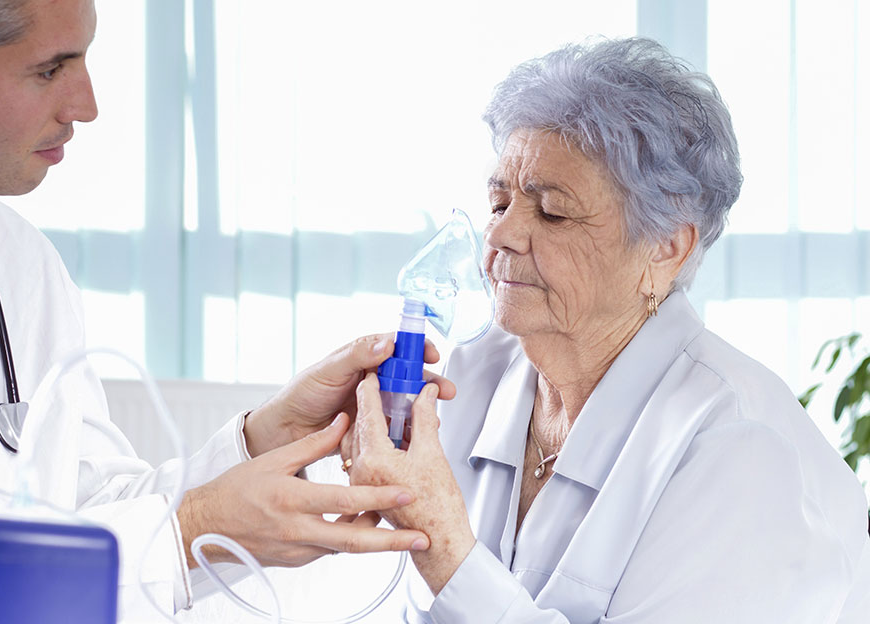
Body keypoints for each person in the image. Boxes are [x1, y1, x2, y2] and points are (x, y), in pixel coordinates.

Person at [0, 0, 451, 617]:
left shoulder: (19, 262)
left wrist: (265, 439)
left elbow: (88, 509)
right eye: (49, 70)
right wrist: (183, 531)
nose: (87, 106)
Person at [341, 38, 870, 622]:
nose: (500, 237)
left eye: (553, 212)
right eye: (499, 203)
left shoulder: (743, 450)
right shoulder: (469, 375)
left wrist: (441, 542)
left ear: (667, 248)